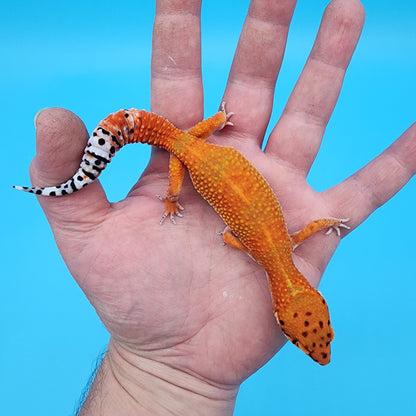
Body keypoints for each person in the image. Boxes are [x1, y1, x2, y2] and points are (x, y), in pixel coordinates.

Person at [27, 0, 415, 414]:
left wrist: (219, 125)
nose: (316, 347)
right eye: (313, 338)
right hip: (186, 152)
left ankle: (131, 147)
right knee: (177, 155)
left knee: (181, 145)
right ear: (291, 314)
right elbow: (236, 236)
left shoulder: (287, 246)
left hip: (200, 141)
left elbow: (297, 229)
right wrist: (173, 199)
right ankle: (115, 158)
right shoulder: (274, 248)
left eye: (311, 340)